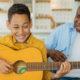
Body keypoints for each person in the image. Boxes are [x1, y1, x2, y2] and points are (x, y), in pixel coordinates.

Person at [0, 3, 70, 80]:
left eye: (25, 26)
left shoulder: (39, 45)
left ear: (30, 24)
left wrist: (57, 75)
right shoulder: (2, 42)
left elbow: (45, 76)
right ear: (8, 25)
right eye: (16, 27)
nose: (21, 32)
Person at [45, 6, 80, 80]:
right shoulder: (62, 30)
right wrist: (50, 52)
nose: (78, 21)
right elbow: (40, 50)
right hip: (62, 77)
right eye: (78, 16)